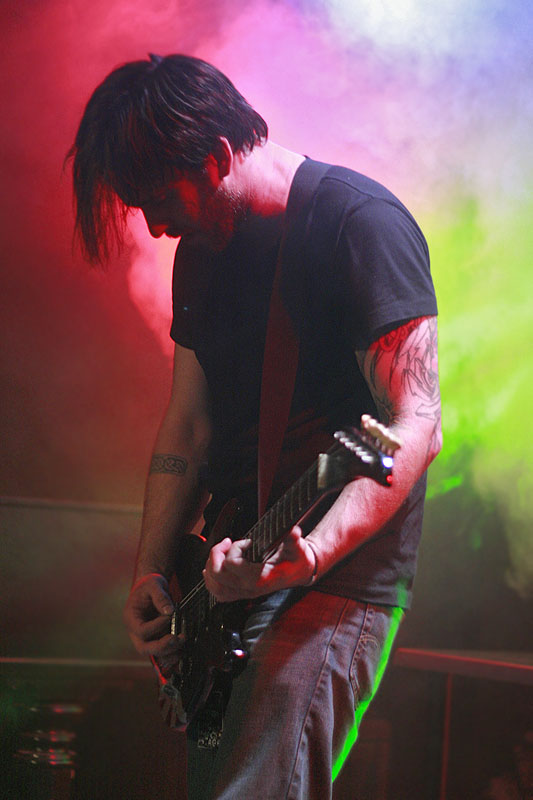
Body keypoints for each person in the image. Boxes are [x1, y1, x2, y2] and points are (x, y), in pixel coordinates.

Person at [69, 53, 442, 800]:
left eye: (157, 198)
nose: (154, 226)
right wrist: (152, 570)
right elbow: (188, 428)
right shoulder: (202, 256)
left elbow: (418, 421)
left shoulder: (358, 224)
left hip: (336, 579)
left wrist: (310, 558)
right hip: (227, 577)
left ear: (214, 156)